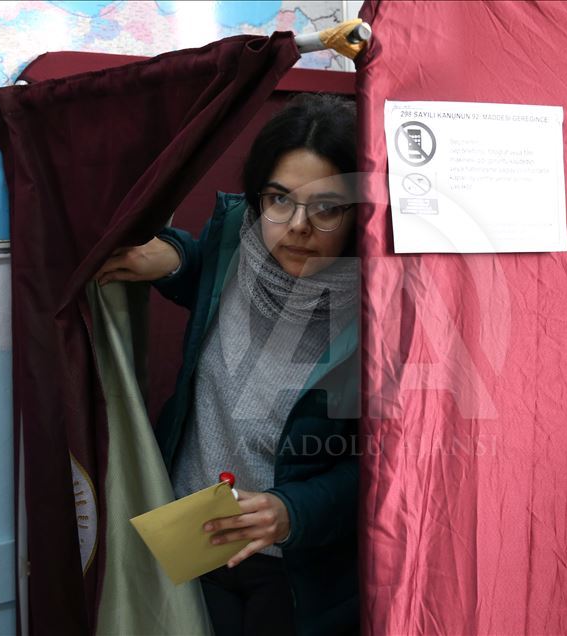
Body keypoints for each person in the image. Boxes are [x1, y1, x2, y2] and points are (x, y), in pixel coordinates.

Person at [95, 93, 361, 636]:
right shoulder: (238, 241)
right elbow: (206, 276)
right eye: (280, 199)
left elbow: (388, 466)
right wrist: (175, 256)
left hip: (293, 567)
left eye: (327, 207)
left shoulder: (381, 313)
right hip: (192, 532)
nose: (297, 226)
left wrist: (292, 511)